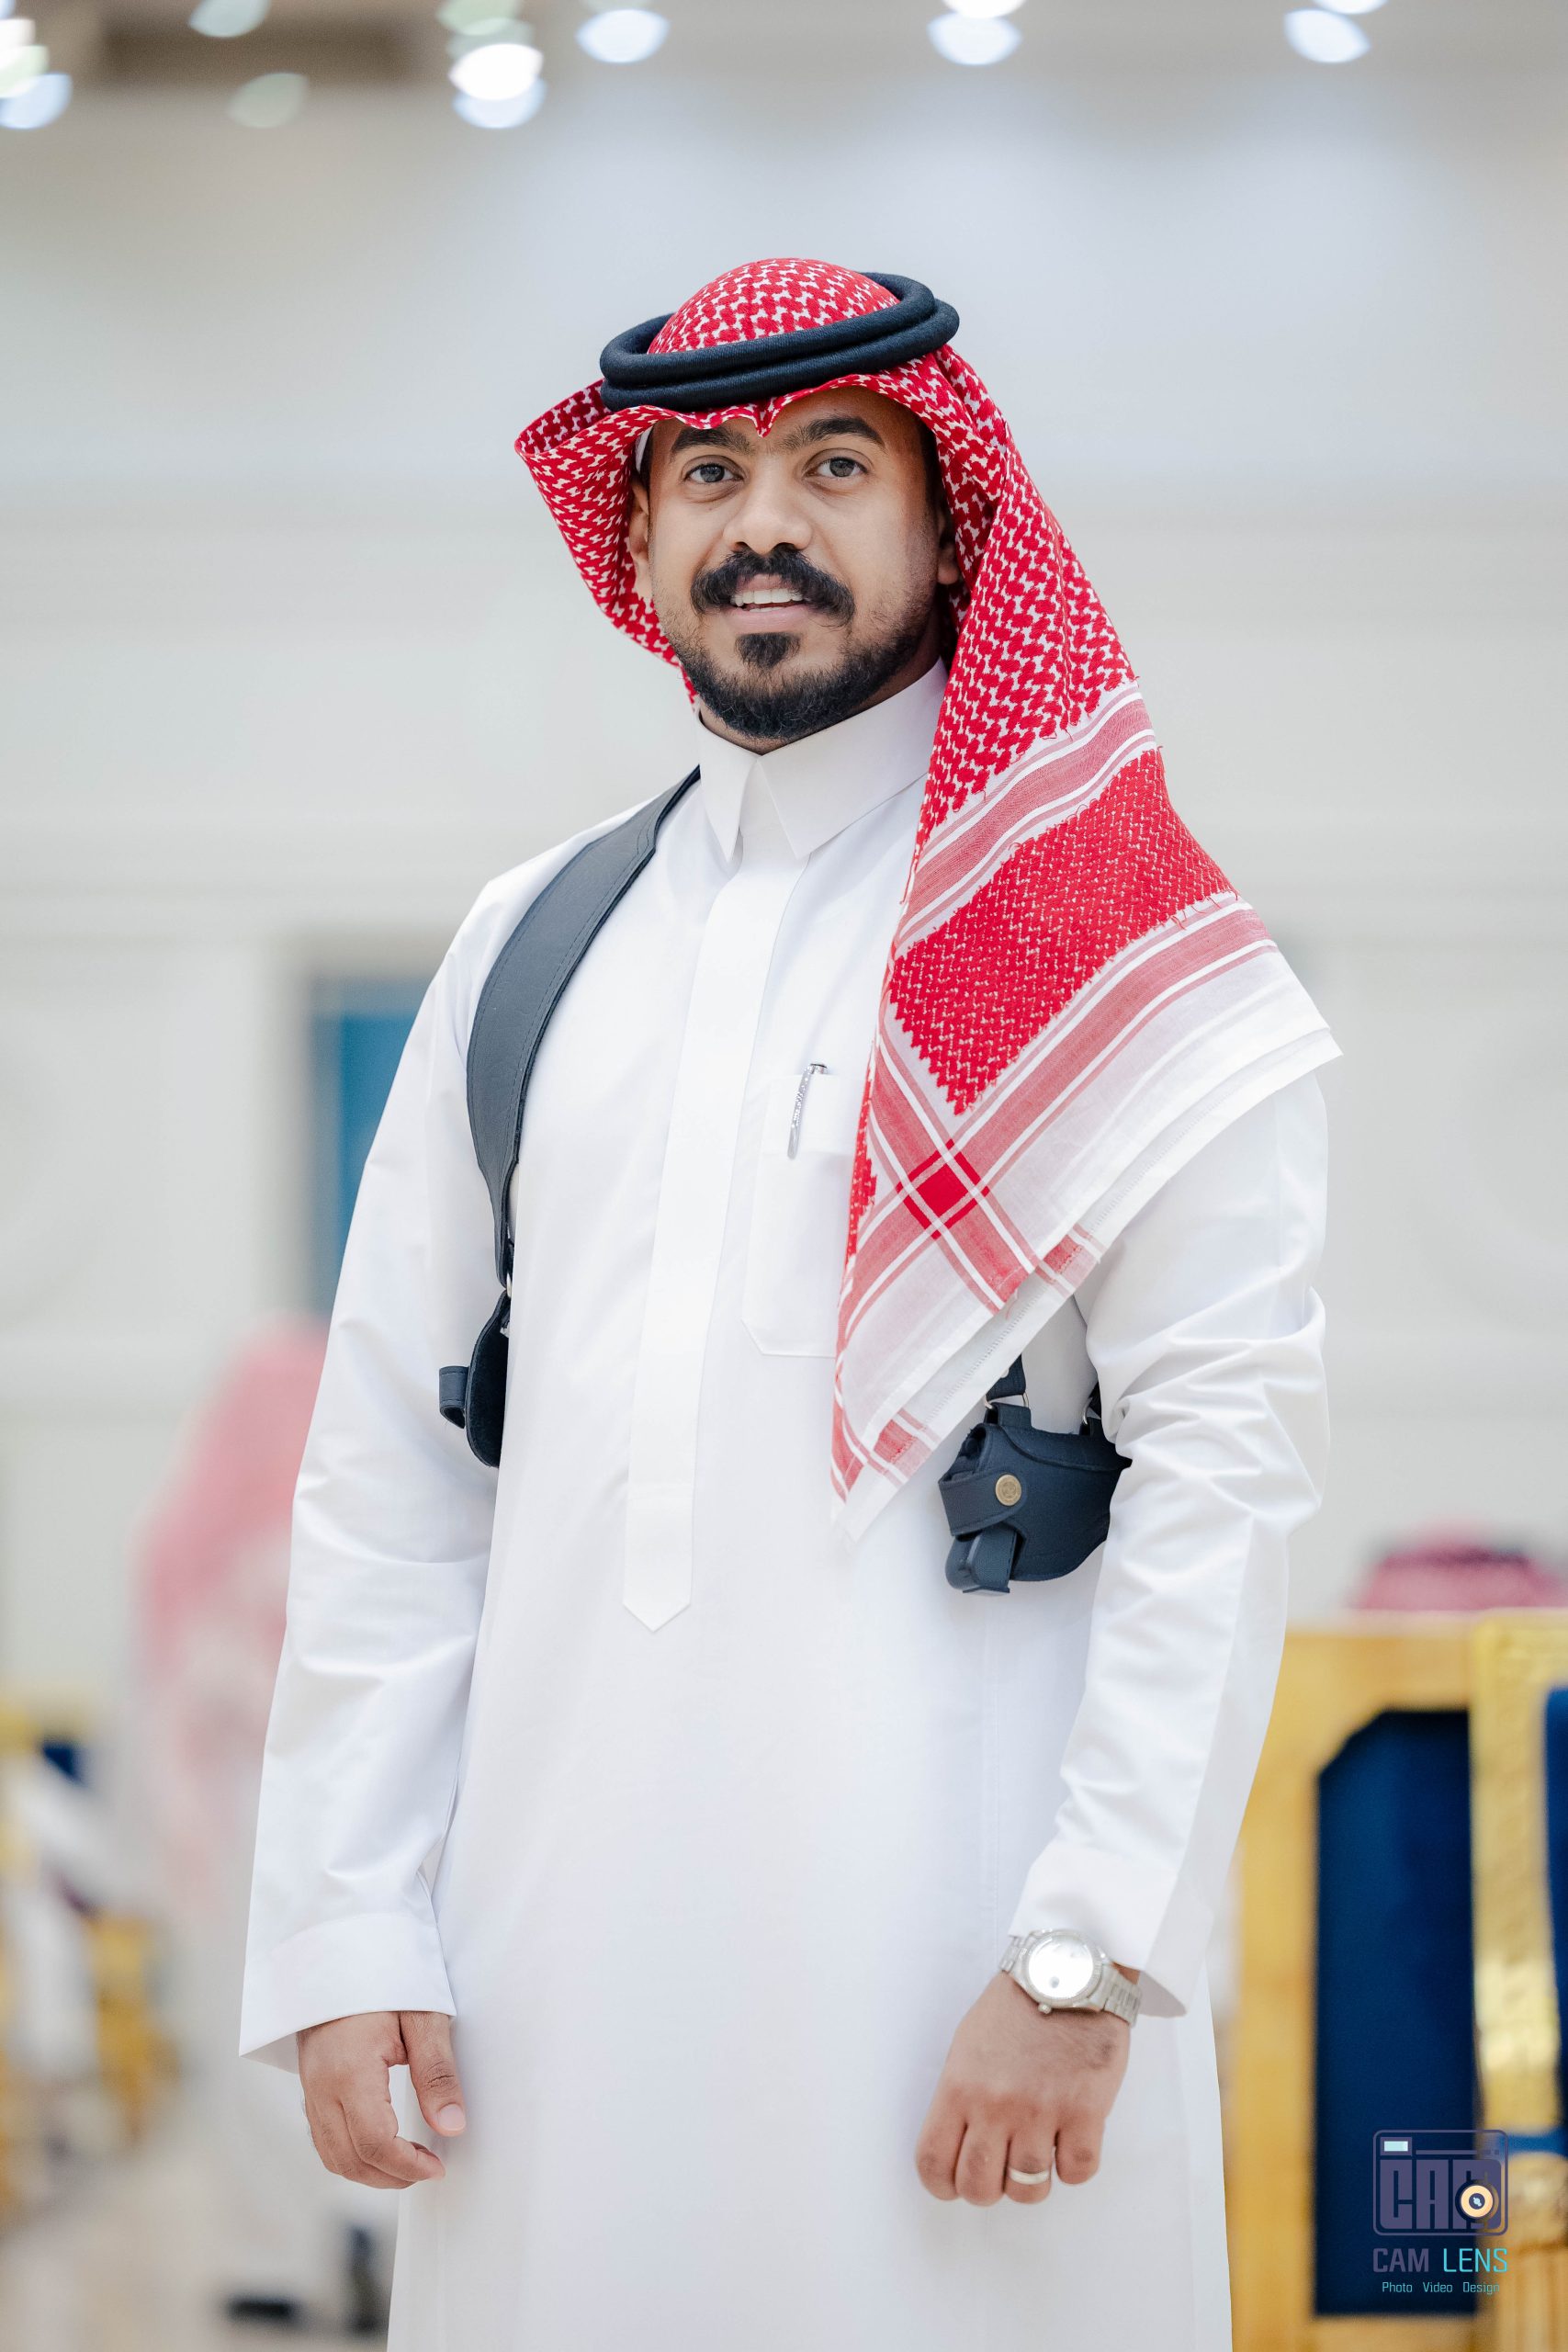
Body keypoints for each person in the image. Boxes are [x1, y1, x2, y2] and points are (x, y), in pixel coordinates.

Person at [239, 258, 1337, 2350]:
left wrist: (1083, 1958)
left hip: (961, 1990)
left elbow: (1222, 1477)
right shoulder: (530, 942)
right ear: (637, 534)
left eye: (836, 467)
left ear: (950, 523)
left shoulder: (1121, 948)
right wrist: (346, 1920)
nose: (765, 524)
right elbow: (394, 1470)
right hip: (547, 1987)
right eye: (708, 475)